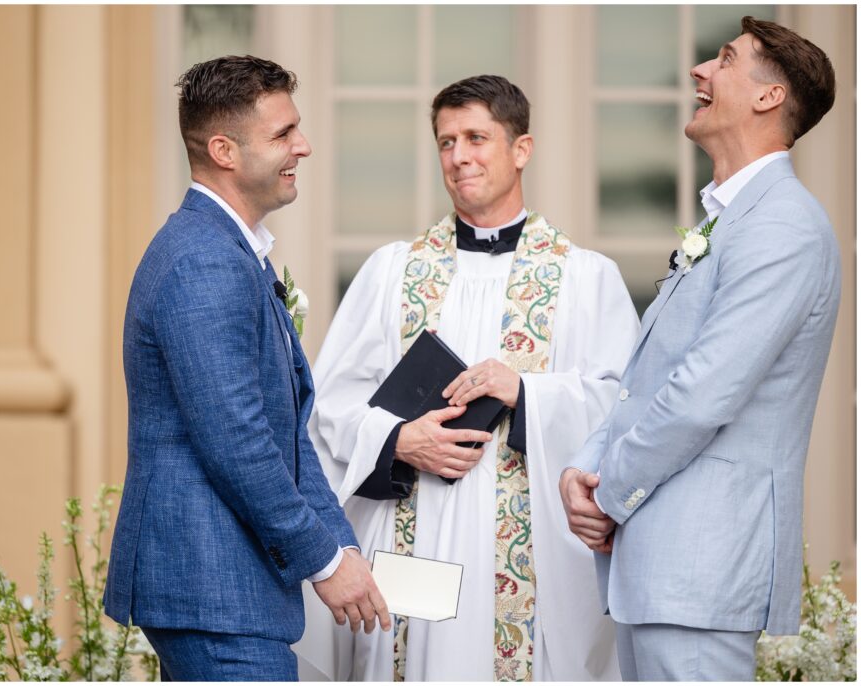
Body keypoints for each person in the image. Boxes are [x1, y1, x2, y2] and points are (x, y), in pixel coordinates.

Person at [295, 75, 639, 681]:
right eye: (446, 142)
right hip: (414, 534)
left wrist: (527, 392)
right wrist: (398, 440)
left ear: (521, 148)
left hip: (531, 556)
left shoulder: (588, 278)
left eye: (477, 137)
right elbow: (330, 407)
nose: (459, 156)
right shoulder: (392, 272)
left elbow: (622, 404)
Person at [560, 17, 839, 681]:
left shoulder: (784, 227)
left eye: (725, 59)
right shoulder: (730, 222)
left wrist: (608, 492)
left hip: (700, 570)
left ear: (769, 98)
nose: (699, 72)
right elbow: (649, 380)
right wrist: (584, 465)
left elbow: (703, 391)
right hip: (660, 571)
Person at [103, 55, 390, 682]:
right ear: (224, 150)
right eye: (283, 134)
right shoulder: (203, 261)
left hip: (230, 585)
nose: (304, 147)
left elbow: (285, 432)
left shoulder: (233, 253)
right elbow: (234, 439)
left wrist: (339, 544)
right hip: (209, 581)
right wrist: (322, 560)